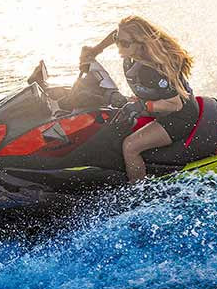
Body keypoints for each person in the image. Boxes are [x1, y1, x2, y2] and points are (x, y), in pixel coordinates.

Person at [80, 16, 198, 182]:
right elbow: (117, 34)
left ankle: (138, 190)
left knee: (130, 146)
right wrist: (96, 50)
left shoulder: (151, 69)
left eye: (124, 43)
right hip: (158, 106)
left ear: (140, 44)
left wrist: (143, 106)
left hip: (180, 116)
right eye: (118, 40)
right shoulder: (131, 49)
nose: (119, 46)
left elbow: (175, 104)